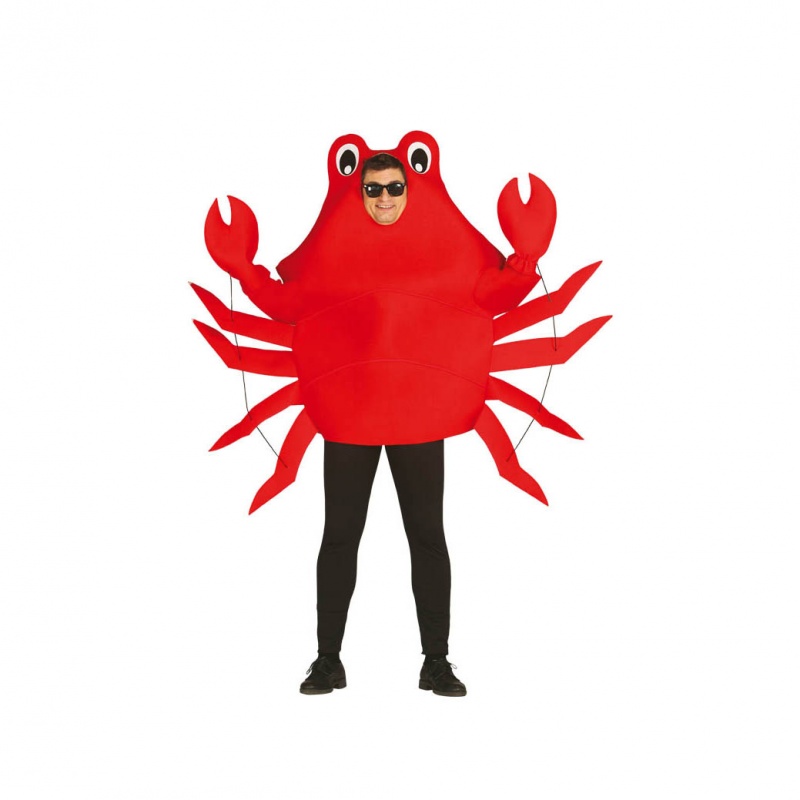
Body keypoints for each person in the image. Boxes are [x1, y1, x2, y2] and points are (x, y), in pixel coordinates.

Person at [300, 153, 467, 697]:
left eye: (395, 187)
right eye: (374, 189)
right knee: (339, 537)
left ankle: (436, 662)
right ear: (361, 194)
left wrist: (525, 259)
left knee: (428, 537)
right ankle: (327, 661)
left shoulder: (438, 252)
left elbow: (482, 293)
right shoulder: (334, 254)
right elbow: (293, 300)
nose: (386, 197)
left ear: (408, 190)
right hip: (350, 413)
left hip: (419, 413)